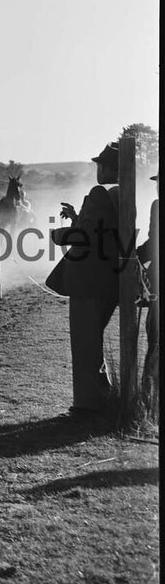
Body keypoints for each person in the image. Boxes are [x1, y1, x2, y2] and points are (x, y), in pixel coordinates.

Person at [46, 142, 122, 414]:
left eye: (100, 165)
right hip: (108, 280)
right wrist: (78, 217)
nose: (97, 169)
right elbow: (102, 230)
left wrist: (60, 235)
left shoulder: (99, 193)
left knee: (85, 342)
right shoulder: (119, 194)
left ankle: (88, 404)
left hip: (89, 280)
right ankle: (102, 395)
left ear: (108, 168)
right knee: (92, 339)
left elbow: (88, 236)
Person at [137, 174, 159, 412]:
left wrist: (132, 257)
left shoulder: (157, 206)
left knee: (155, 338)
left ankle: (148, 397)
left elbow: (154, 242)